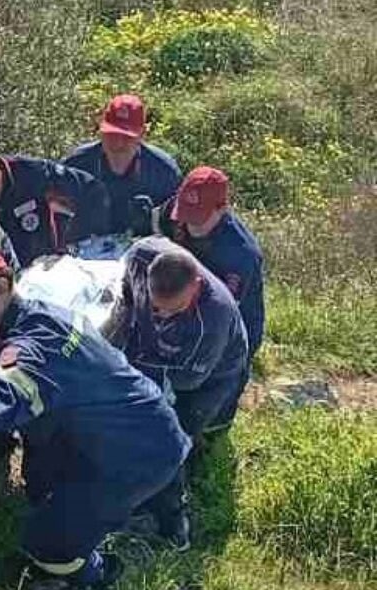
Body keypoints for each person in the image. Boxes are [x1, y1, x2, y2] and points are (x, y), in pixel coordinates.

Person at [0, 244, 189, 590]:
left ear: (2, 286)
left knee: (46, 544)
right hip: (134, 427)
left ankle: (101, 574)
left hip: (135, 455)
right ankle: (146, 513)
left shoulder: (34, 343)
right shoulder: (39, 314)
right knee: (41, 482)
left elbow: (10, 385)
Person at [103, 236, 249, 549]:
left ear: (195, 286)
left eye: (173, 310)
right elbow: (127, 291)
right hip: (155, 355)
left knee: (170, 437)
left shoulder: (213, 318)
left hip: (206, 376)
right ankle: (137, 494)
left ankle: (172, 524)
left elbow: (185, 381)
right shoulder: (142, 256)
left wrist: (127, 372)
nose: (162, 316)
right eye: (156, 308)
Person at [0, 145, 111, 267]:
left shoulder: (33, 174)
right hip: (0, 275)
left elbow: (92, 189)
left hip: (45, 266)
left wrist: (76, 241)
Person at [167, 166, 265, 365]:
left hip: (227, 335)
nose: (190, 225)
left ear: (221, 209)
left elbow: (220, 310)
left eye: (198, 218)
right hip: (182, 304)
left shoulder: (240, 255)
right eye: (186, 214)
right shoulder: (178, 213)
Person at [63, 94, 182, 237]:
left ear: (142, 134)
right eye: (112, 134)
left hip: (143, 247)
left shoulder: (164, 172)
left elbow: (176, 229)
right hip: (83, 247)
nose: (118, 143)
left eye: (127, 137)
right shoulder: (76, 165)